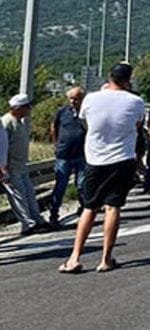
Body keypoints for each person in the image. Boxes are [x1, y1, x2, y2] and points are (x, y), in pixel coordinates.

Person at [58, 63, 145, 273]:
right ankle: (106, 258)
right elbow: (137, 126)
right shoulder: (136, 101)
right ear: (128, 80)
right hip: (122, 159)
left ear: (109, 77)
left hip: (95, 159)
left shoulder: (91, 99)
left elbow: (86, 124)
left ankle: (75, 257)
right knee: (113, 207)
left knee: (89, 208)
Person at [2, 94, 48, 234]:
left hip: (21, 166)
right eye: (26, 107)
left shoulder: (20, 122)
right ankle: (27, 224)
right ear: (17, 108)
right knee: (18, 196)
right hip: (11, 167)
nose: (29, 110)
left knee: (29, 193)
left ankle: (37, 219)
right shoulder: (6, 122)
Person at [50, 85, 87, 227]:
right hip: (64, 154)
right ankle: (54, 214)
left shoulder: (86, 112)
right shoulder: (62, 112)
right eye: (71, 98)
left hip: (82, 154)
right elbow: (54, 126)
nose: (73, 101)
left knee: (82, 185)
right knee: (60, 186)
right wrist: (56, 144)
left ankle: (84, 210)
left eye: (76, 99)